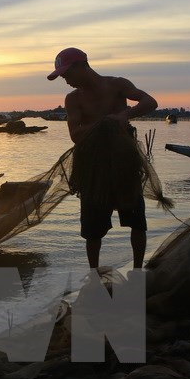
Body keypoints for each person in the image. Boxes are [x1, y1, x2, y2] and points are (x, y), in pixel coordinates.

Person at [47, 47, 158, 269]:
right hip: (92, 169)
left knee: (137, 221)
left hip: (124, 162)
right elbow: (75, 135)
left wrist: (124, 115)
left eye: (67, 74)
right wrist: (105, 123)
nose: (66, 80)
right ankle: (93, 274)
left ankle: (138, 269)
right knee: (92, 228)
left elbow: (149, 102)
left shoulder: (117, 85)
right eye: (62, 76)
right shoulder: (73, 99)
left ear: (82, 66)